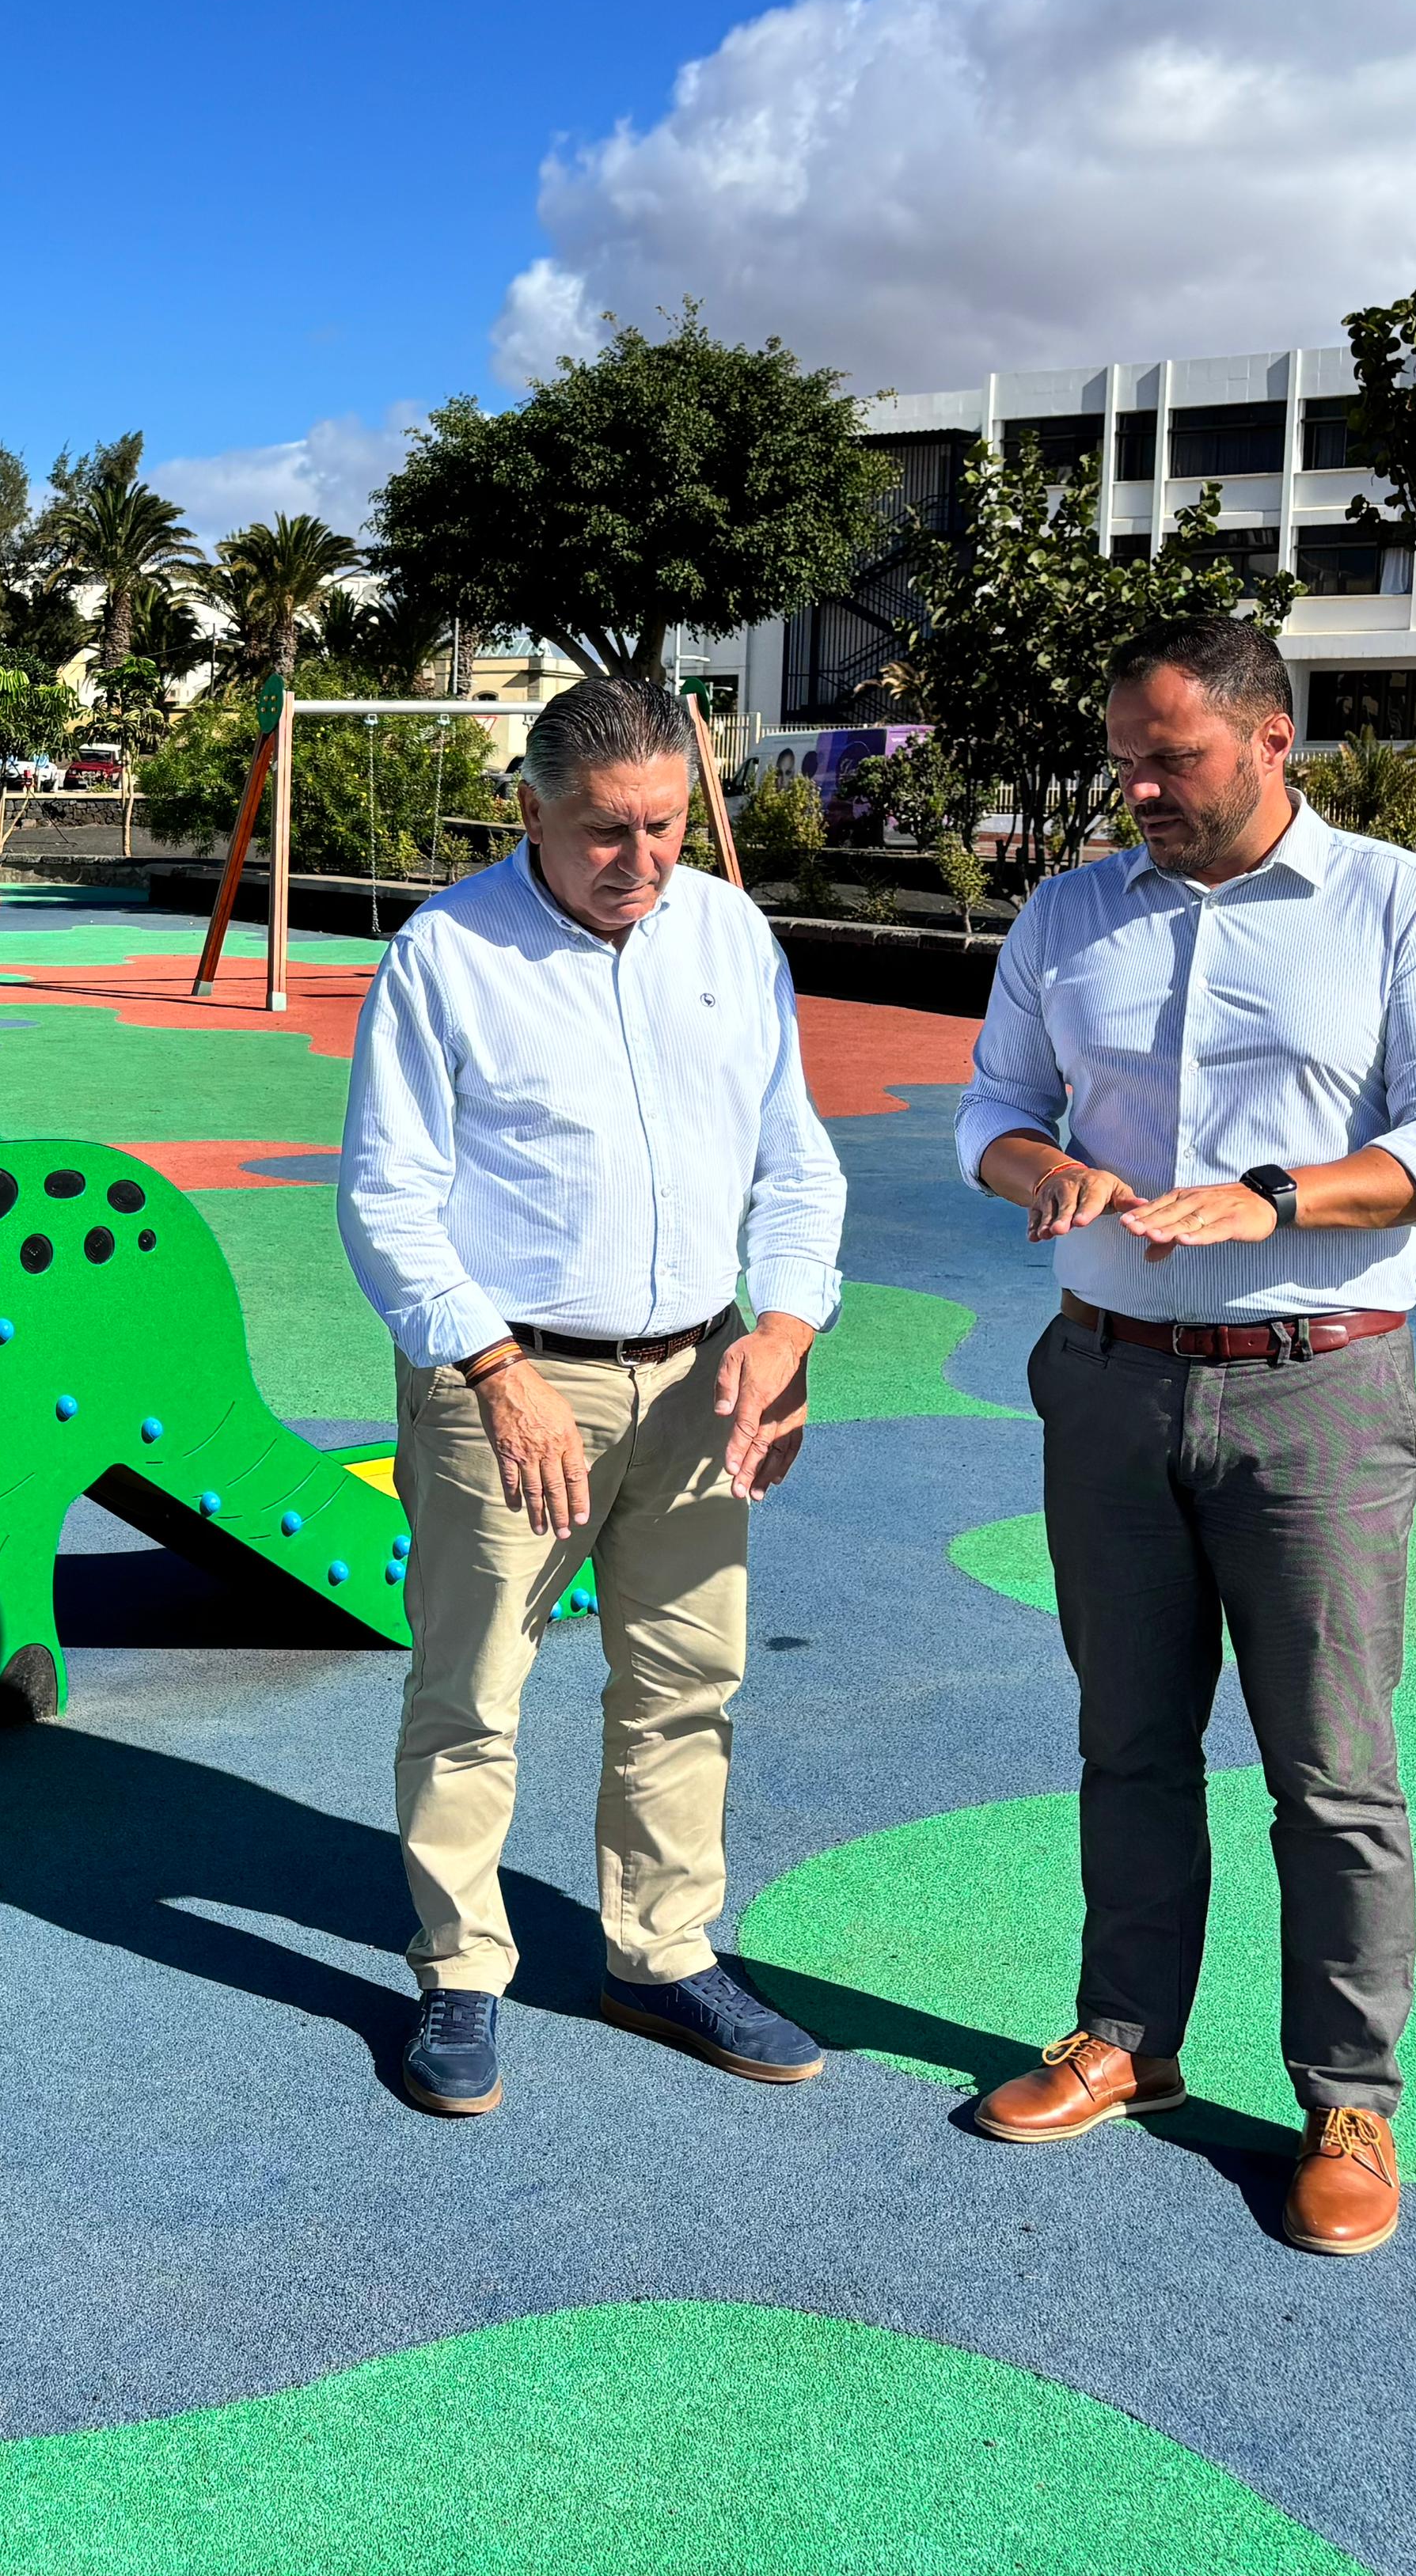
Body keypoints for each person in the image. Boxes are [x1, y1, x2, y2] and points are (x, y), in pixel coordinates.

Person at [955, 616, 1416, 2257]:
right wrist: (1035, 1172)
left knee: (1328, 1773)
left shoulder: (1400, 908)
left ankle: (1347, 2096)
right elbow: (992, 1105)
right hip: (1108, 1377)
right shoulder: (1068, 913)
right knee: (1126, 1739)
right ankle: (1125, 2037)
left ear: (1274, 739)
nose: (1136, 784)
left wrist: (1274, 1198)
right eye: (1125, 752)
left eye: (1171, 757)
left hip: (1318, 1381)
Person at [341, 673, 846, 2117]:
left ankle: (661, 1951)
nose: (642, 862)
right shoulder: (446, 954)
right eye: (604, 833)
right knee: (471, 1691)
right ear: (532, 812)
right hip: (508, 1379)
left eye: (666, 826)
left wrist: (788, 1331)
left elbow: (793, 1163)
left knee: (690, 1679)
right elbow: (388, 1200)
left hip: (703, 1371)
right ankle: (458, 1972)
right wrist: (497, 1372)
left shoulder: (731, 934)